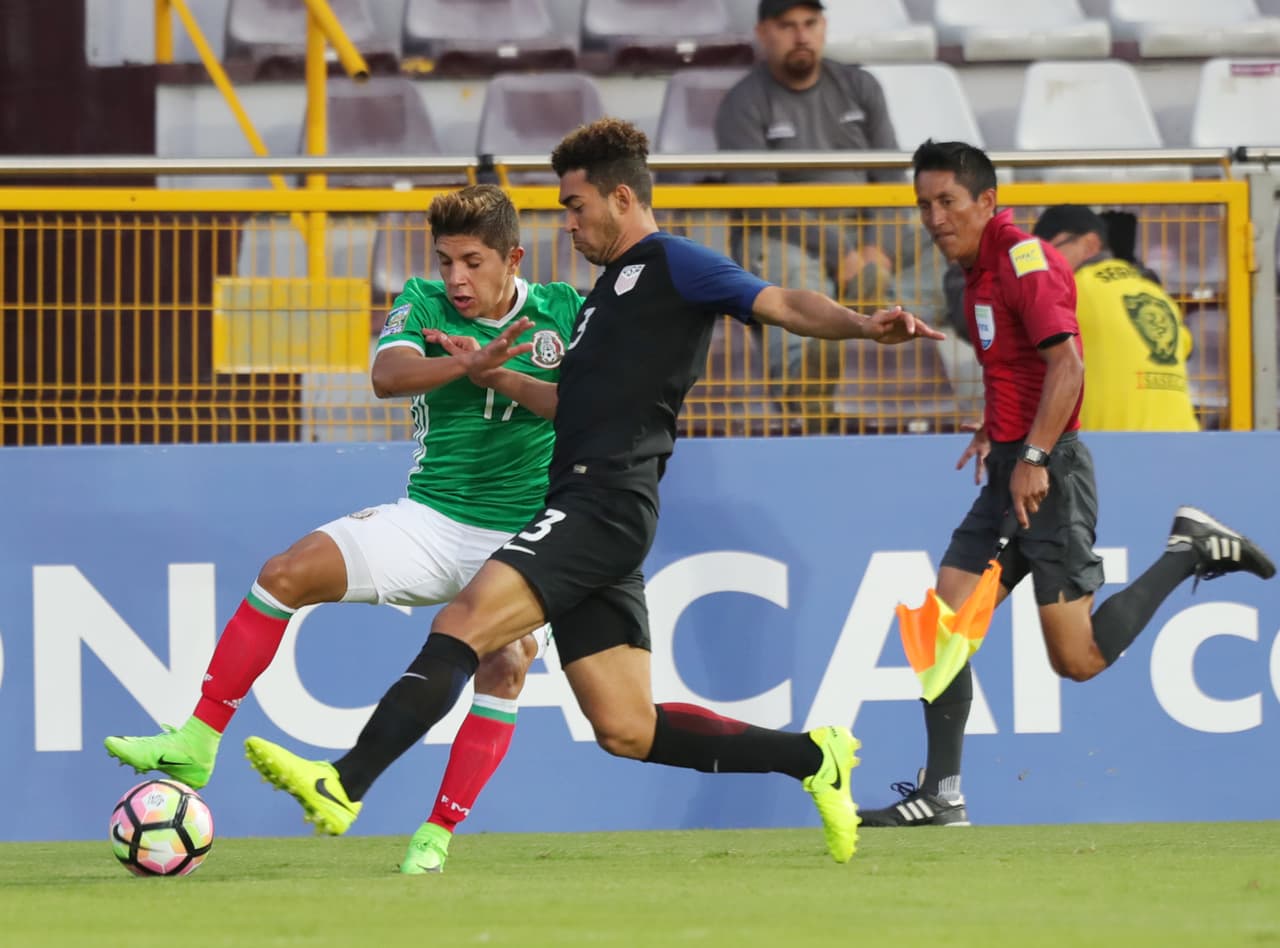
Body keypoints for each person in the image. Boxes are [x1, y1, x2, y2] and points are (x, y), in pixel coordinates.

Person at [239, 117, 945, 865]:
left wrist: (865, 326)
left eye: (574, 207)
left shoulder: (675, 264)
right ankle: (814, 757)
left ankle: (343, 783)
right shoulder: (606, 294)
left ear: (619, 197)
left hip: (601, 502)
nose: (566, 224)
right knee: (626, 729)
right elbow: (567, 403)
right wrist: (491, 371)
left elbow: (780, 302)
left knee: (465, 621)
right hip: (591, 508)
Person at [105, 184, 582, 873]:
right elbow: (387, 377)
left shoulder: (564, 312)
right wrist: (463, 363)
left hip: (518, 540)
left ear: (513, 258)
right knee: (284, 573)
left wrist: (497, 374)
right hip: (428, 522)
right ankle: (197, 739)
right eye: (446, 260)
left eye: (472, 262)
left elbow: (582, 407)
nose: (456, 278)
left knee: (505, 667)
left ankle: (435, 837)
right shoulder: (421, 300)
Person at [859, 141, 1275, 828]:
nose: (934, 217)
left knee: (1076, 659)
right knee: (943, 622)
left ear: (987, 201)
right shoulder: (976, 271)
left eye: (947, 201)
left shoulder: (1028, 261)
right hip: (1010, 469)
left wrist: (1034, 453)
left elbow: (1069, 368)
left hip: (1047, 474)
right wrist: (997, 429)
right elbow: (1018, 368)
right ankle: (943, 793)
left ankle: (1189, 551)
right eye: (924, 204)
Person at [714, 0, 923, 424]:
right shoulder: (743, 101)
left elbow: (890, 180)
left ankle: (998, 362)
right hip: (783, 232)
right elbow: (760, 199)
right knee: (786, 272)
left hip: (866, 233)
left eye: (810, 24)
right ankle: (801, 386)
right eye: (787, 26)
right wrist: (841, 253)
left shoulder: (860, 85)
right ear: (764, 33)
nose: (801, 35)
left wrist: (877, 249)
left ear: (824, 27)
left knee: (945, 246)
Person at [1032, 204, 1199, 432]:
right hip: (1184, 444)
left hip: (1111, 449)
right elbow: (1187, 347)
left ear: (1090, 243)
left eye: (1048, 253)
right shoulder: (1156, 293)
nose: (1042, 266)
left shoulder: (1071, 291)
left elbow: (993, 329)